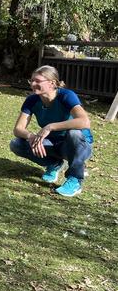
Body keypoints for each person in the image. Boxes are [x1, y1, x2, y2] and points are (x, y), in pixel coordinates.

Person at [10, 65, 93, 197]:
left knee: (74, 133)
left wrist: (50, 126)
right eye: (31, 80)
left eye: (37, 81)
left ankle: (75, 179)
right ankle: (54, 164)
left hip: (76, 146)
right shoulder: (31, 100)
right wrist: (31, 136)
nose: (33, 84)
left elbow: (84, 122)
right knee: (17, 144)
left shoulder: (66, 96)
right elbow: (18, 129)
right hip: (52, 144)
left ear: (52, 83)